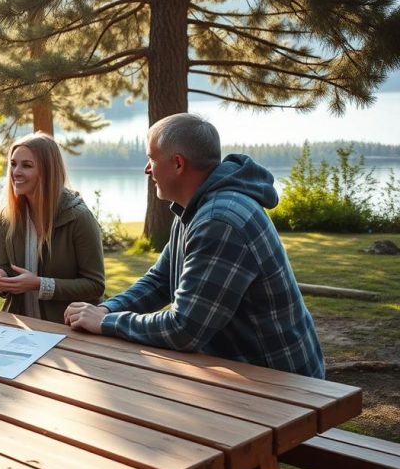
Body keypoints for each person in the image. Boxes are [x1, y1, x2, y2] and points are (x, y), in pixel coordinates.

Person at [64, 113, 325, 378]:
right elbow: (160, 280)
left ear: (178, 163)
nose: (147, 169)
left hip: (283, 382)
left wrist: (107, 323)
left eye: (151, 159)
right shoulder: (194, 208)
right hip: (241, 371)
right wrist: (106, 308)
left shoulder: (219, 221)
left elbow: (184, 329)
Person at [0, 132, 106, 323]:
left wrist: (40, 285)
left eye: (26, 165)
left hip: (67, 328)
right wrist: (0, 280)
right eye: (13, 163)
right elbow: (3, 268)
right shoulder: (7, 217)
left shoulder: (79, 218)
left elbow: (95, 285)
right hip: (20, 328)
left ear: (48, 171)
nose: (15, 172)